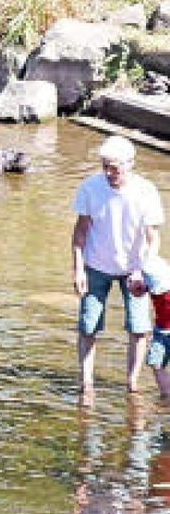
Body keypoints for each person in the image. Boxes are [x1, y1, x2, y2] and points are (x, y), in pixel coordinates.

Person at [73, 135, 165, 406]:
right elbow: (79, 234)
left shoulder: (146, 191)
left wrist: (142, 269)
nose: (109, 173)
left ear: (131, 164)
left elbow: (153, 238)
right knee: (88, 326)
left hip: (134, 269)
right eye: (105, 166)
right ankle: (87, 384)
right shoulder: (90, 188)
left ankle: (132, 384)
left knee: (139, 329)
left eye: (115, 167)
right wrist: (78, 269)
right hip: (96, 264)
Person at [144, 256, 170, 398]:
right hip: (161, 331)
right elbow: (142, 288)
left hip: (163, 332)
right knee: (155, 362)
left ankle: (166, 394)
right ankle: (166, 394)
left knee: (156, 362)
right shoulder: (155, 283)